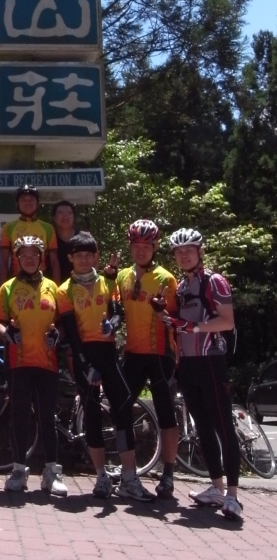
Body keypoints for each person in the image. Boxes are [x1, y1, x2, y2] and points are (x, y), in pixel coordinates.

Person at [57, 232, 155, 502]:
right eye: (79, 255)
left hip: (108, 354)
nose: (84, 260)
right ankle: (101, 476)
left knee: (123, 408)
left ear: (96, 257)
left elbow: (117, 312)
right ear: (70, 258)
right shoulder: (64, 290)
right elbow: (71, 334)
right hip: (84, 355)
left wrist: (113, 324)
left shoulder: (107, 282)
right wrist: (86, 365)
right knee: (91, 414)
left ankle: (129, 478)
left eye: (89, 255)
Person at [167, 228, 242, 521]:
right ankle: (216, 488)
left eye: (189, 250)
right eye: (179, 251)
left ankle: (233, 496)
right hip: (188, 365)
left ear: (200, 251)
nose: (184, 255)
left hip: (211, 361)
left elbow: (227, 321)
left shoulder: (214, 281)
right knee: (203, 427)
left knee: (224, 427)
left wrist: (194, 328)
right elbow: (180, 325)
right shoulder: (182, 287)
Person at [0, 236, 68, 497]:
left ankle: (52, 473)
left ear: (41, 258)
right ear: (16, 259)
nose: (29, 259)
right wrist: (6, 334)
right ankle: (18, 470)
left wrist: (57, 335)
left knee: (48, 417)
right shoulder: (7, 288)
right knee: (19, 417)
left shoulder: (53, 288)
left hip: (47, 362)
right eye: (23, 255)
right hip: (19, 362)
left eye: (34, 254)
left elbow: (62, 323)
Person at [113, 220, 179, 498]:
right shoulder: (122, 277)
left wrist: (165, 312)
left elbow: (177, 320)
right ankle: (128, 473)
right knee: (120, 409)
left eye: (146, 246)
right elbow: (115, 311)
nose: (140, 251)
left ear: (155, 247)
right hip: (133, 353)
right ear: (130, 246)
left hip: (161, 354)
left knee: (166, 414)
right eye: (136, 246)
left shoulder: (166, 279)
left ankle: (168, 474)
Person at [0, 186, 60, 285]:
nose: (28, 203)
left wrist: (56, 288)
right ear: (17, 204)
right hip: (16, 281)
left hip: (41, 281)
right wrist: (2, 288)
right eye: (23, 200)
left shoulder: (48, 228)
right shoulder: (8, 228)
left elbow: (54, 262)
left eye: (31, 199)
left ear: (38, 203)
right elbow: (4, 262)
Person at [51, 199, 77, 283]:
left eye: (69, 214)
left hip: (79, 287)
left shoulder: (83, 238)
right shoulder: (49, 238)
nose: (65, 217)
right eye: (61, 213)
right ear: (54, 217)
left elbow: (94, 262)